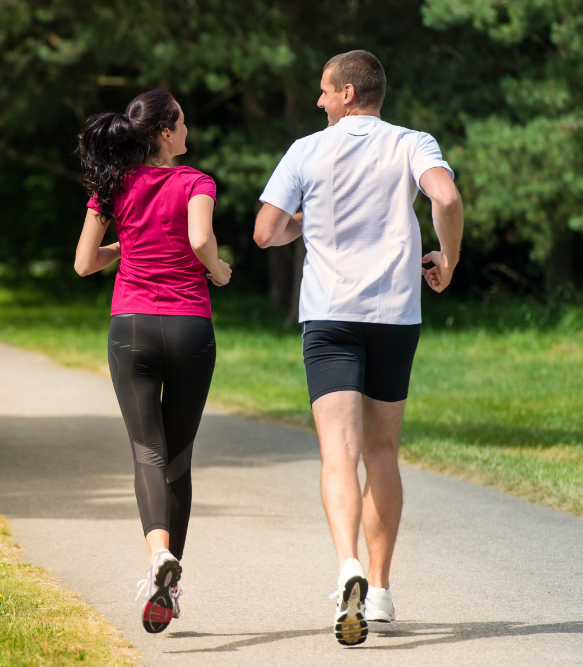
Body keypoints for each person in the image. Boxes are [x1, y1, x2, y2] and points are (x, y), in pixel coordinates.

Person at [253, 50, 464, 646]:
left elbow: (266, 230)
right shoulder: (411, 142)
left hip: (329, 319)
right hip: (395, 315)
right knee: (383, 452)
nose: (318, 101)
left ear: (348, 93)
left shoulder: (305, 151)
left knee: (337, 453)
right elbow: (445, 199)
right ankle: (381, 589)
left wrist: (307, 223)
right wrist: (448, 258)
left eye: (324, 91)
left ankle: (346, 564)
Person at [74, 89, 232, 634]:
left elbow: (82, 264)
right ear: (165, 132)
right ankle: (170, 581)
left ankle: (158, 557)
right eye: (182, 123)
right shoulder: (196, 182)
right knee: (179, 457)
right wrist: (217, 270)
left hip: (132, 329)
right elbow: (199, 237)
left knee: (147, 450)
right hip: (190, 328)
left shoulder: (111, 187)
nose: (187, 131)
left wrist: (127, 247)